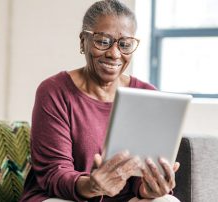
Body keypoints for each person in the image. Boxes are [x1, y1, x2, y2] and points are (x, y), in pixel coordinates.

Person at [19, 0, 180, 201]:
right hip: (62, 197)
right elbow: (54, 174)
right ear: (82, 41)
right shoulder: (54, 91)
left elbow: (142, 170)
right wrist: (91, 185)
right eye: (103, 41)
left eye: (125, 44)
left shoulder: (148, 96)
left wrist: (148, 188)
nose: (114, 53)